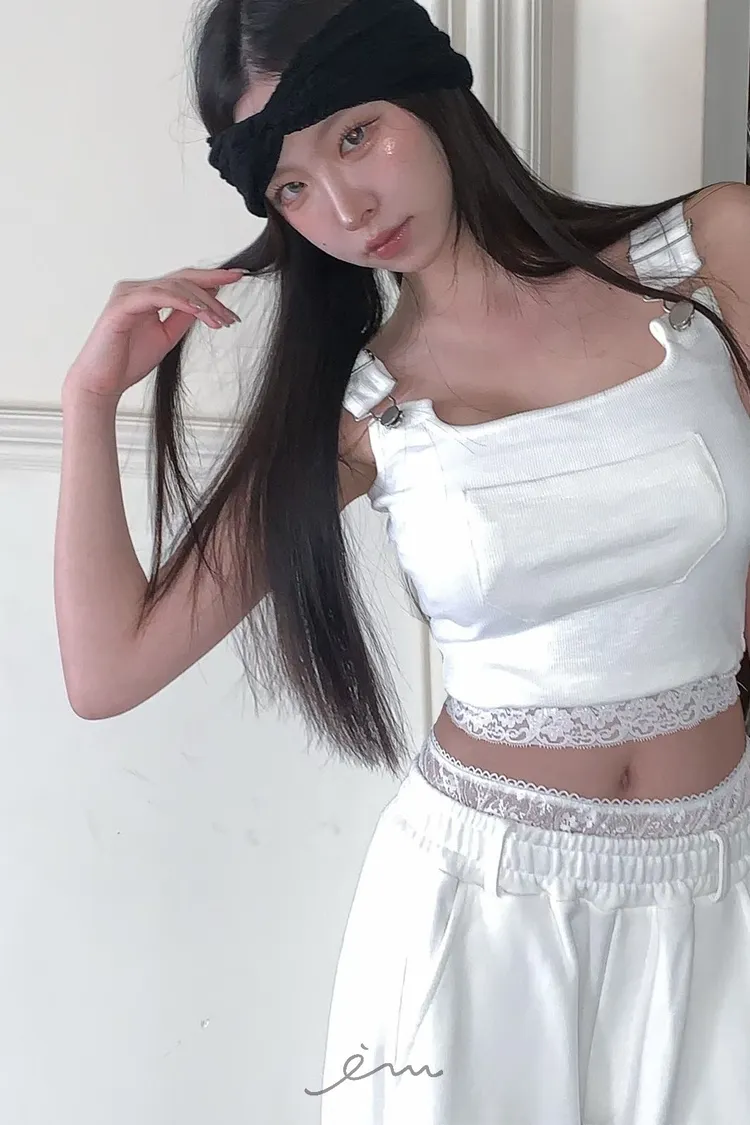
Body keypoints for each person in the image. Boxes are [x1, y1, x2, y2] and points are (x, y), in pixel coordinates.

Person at [54, 0, 750, 1121]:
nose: (346, 208)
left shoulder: (708, 257)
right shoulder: (362, 414)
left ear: (427, 89)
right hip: (479, 916)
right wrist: (90, 400)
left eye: (354, 135)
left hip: (720, 886)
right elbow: (108, 668)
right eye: (291, 187)